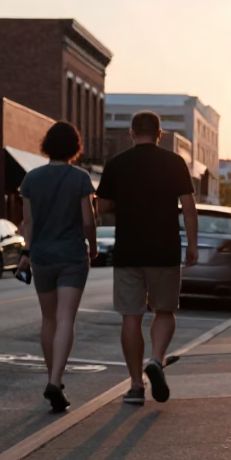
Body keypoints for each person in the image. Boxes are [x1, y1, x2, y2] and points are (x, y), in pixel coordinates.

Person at [96, 111, 198, 405]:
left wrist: (125, 205)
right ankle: (155, 359)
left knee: (131, 315)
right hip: (164, 249)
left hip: (129, 250)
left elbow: (102, 205)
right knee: (164, 311)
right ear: (159, 134)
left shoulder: (117, 164)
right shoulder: (175, 163)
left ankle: (135, 385)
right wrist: (192, 244)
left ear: (131, 133)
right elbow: (189, 207)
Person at [17, 121, 97, 413]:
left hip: (41, 256)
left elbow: (28, 223)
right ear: (75, 147)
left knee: (48, 319)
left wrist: (27, 252)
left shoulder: (30, 179)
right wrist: (94, 245)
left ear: (47, 145)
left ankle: (54, 380)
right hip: (72, 257)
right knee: (66, 319)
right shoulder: (80, 178)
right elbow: (88, 221)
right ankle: (55, 379)